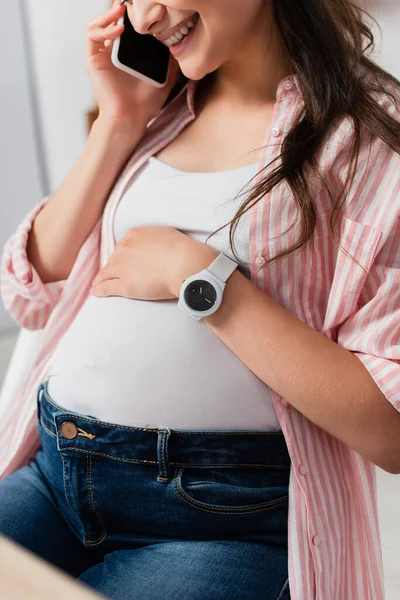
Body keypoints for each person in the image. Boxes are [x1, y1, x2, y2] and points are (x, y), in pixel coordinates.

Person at [0, 0, 399, 598]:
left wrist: (203, 281)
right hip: (57, 473)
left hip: (218, 519)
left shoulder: (369, 138)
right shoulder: (161, 107)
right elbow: (30, 291)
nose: (147, 14)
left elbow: (389, 429)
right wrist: (118, 121)